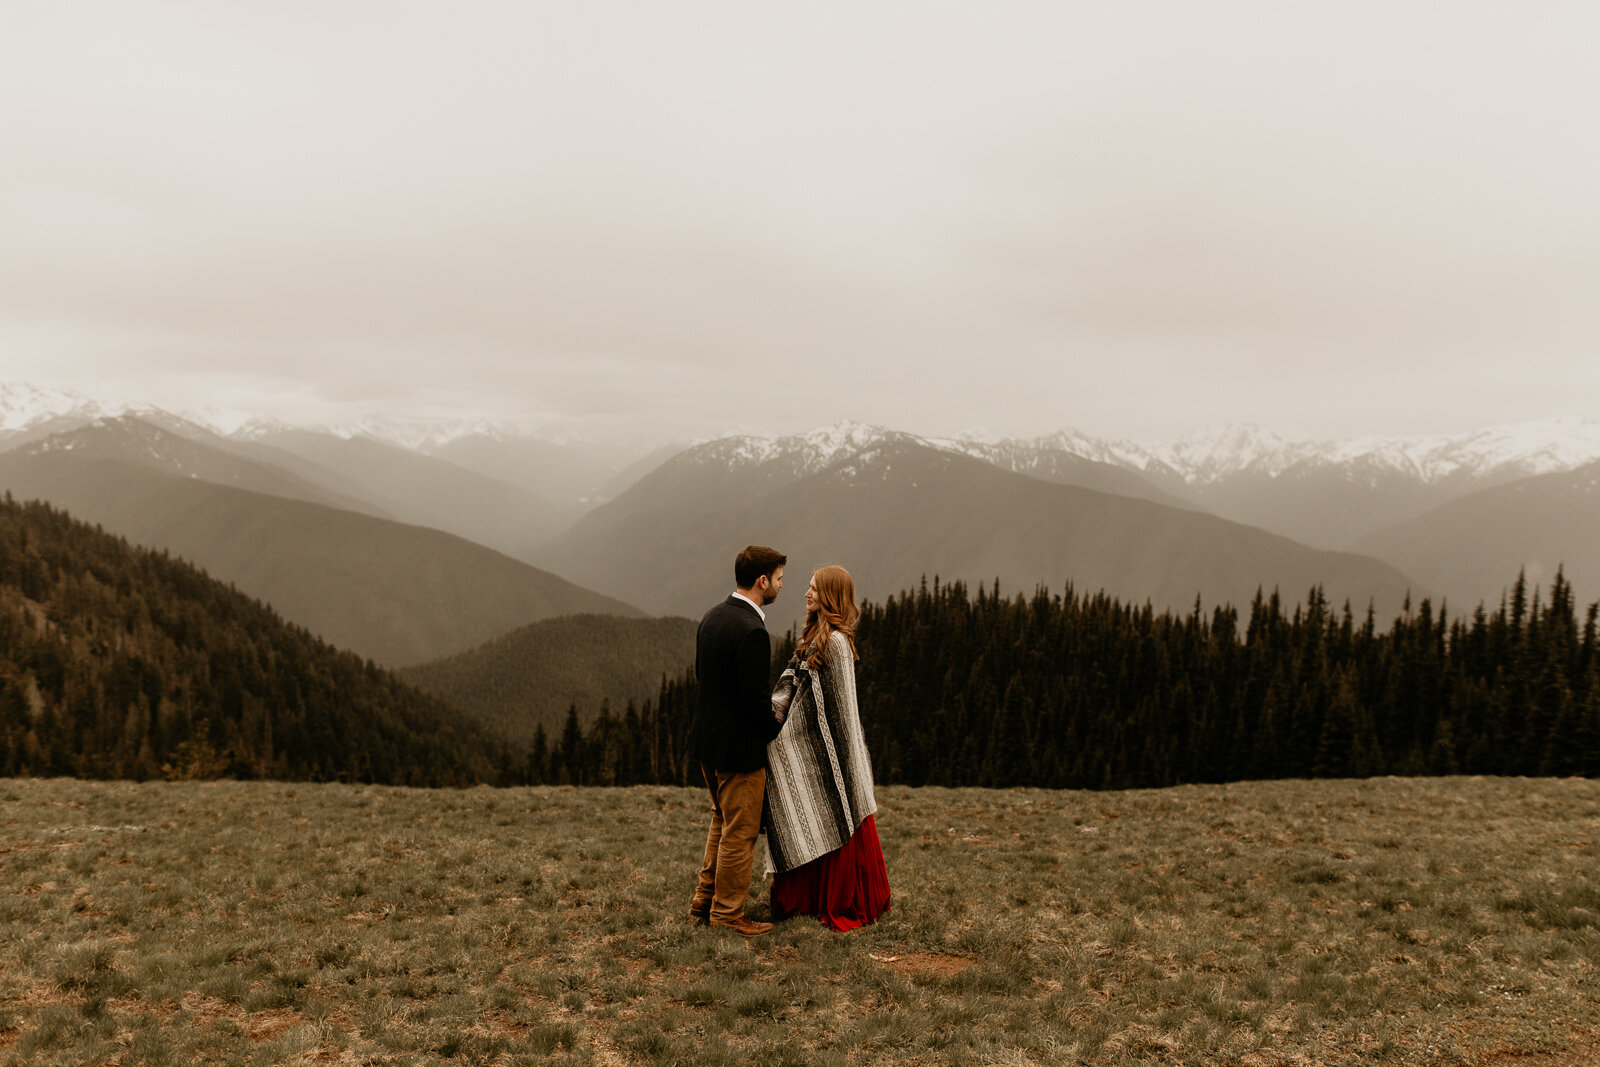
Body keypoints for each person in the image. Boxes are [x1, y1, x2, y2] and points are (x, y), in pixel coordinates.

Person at [763, 564, 891, 931]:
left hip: (834, 755)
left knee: (834, 814)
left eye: (815, 589)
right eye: (809, 587)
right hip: (811, 745)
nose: (807, 593)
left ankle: (835, 898)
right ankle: (807, 896)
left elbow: (838, 714)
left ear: (831, 596)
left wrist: (796, 738)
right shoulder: (813, 639)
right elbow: (794, 692)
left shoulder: (835, 642)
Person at [685, 545, 787, 937]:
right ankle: (727, 914)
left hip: (707, 742)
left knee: (721, 820)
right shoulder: (752, 631)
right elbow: (755, 703)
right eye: (778, 579)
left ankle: (704, 899)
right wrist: (775, 730)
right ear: (762, 581)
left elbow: (704, 678)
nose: (780, 585)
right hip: (739, 750)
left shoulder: (713, 616)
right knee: (740, 833)